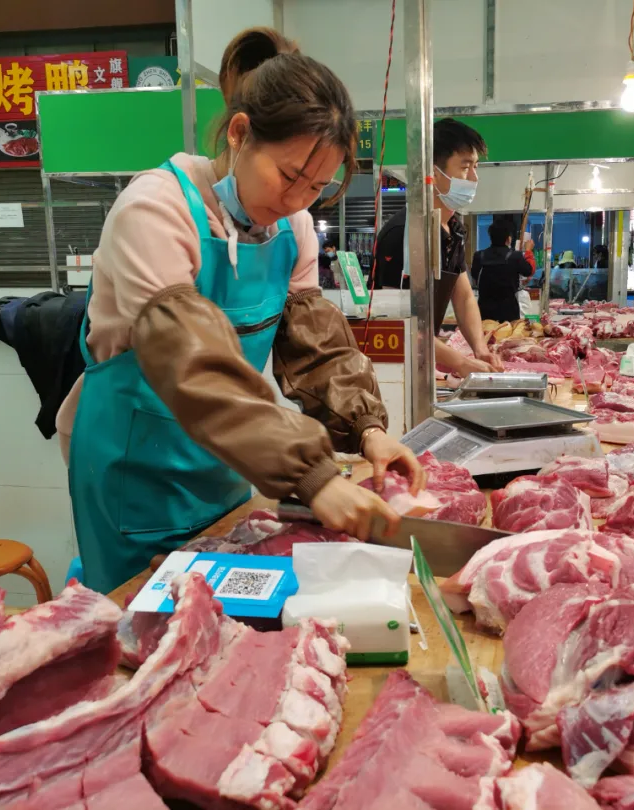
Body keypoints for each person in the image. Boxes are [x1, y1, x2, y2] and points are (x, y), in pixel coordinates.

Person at [56, 27, 426, 594]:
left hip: (229, 456)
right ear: (239, 133)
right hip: (134, 472)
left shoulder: (293, 227)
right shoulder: (156, 210)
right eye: (289, 176)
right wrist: (312, 473)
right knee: (145, 627)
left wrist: (368, 427)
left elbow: (315, 347)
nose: (298, 200)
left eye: (318, 187)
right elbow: (189, 356)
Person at [372, 118, 502, 376]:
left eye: (476, 167)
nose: (474, 178)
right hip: (391, 370)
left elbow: (463, 296)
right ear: (433, 173)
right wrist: (460, 362)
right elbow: (397, 324)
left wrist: (479, 348)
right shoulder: (403, 234)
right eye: (465, 168)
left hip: (421, 360)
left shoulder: (453, 230)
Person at [471, 220, 536, 322]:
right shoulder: (515, 256)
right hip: (508, 312)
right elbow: (529, 270)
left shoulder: (479, 256)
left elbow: (475, 276)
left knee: (487, 335)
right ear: (508, 239)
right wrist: (528, 251)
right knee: (508, 336)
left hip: (484, 310)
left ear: (491, 237)